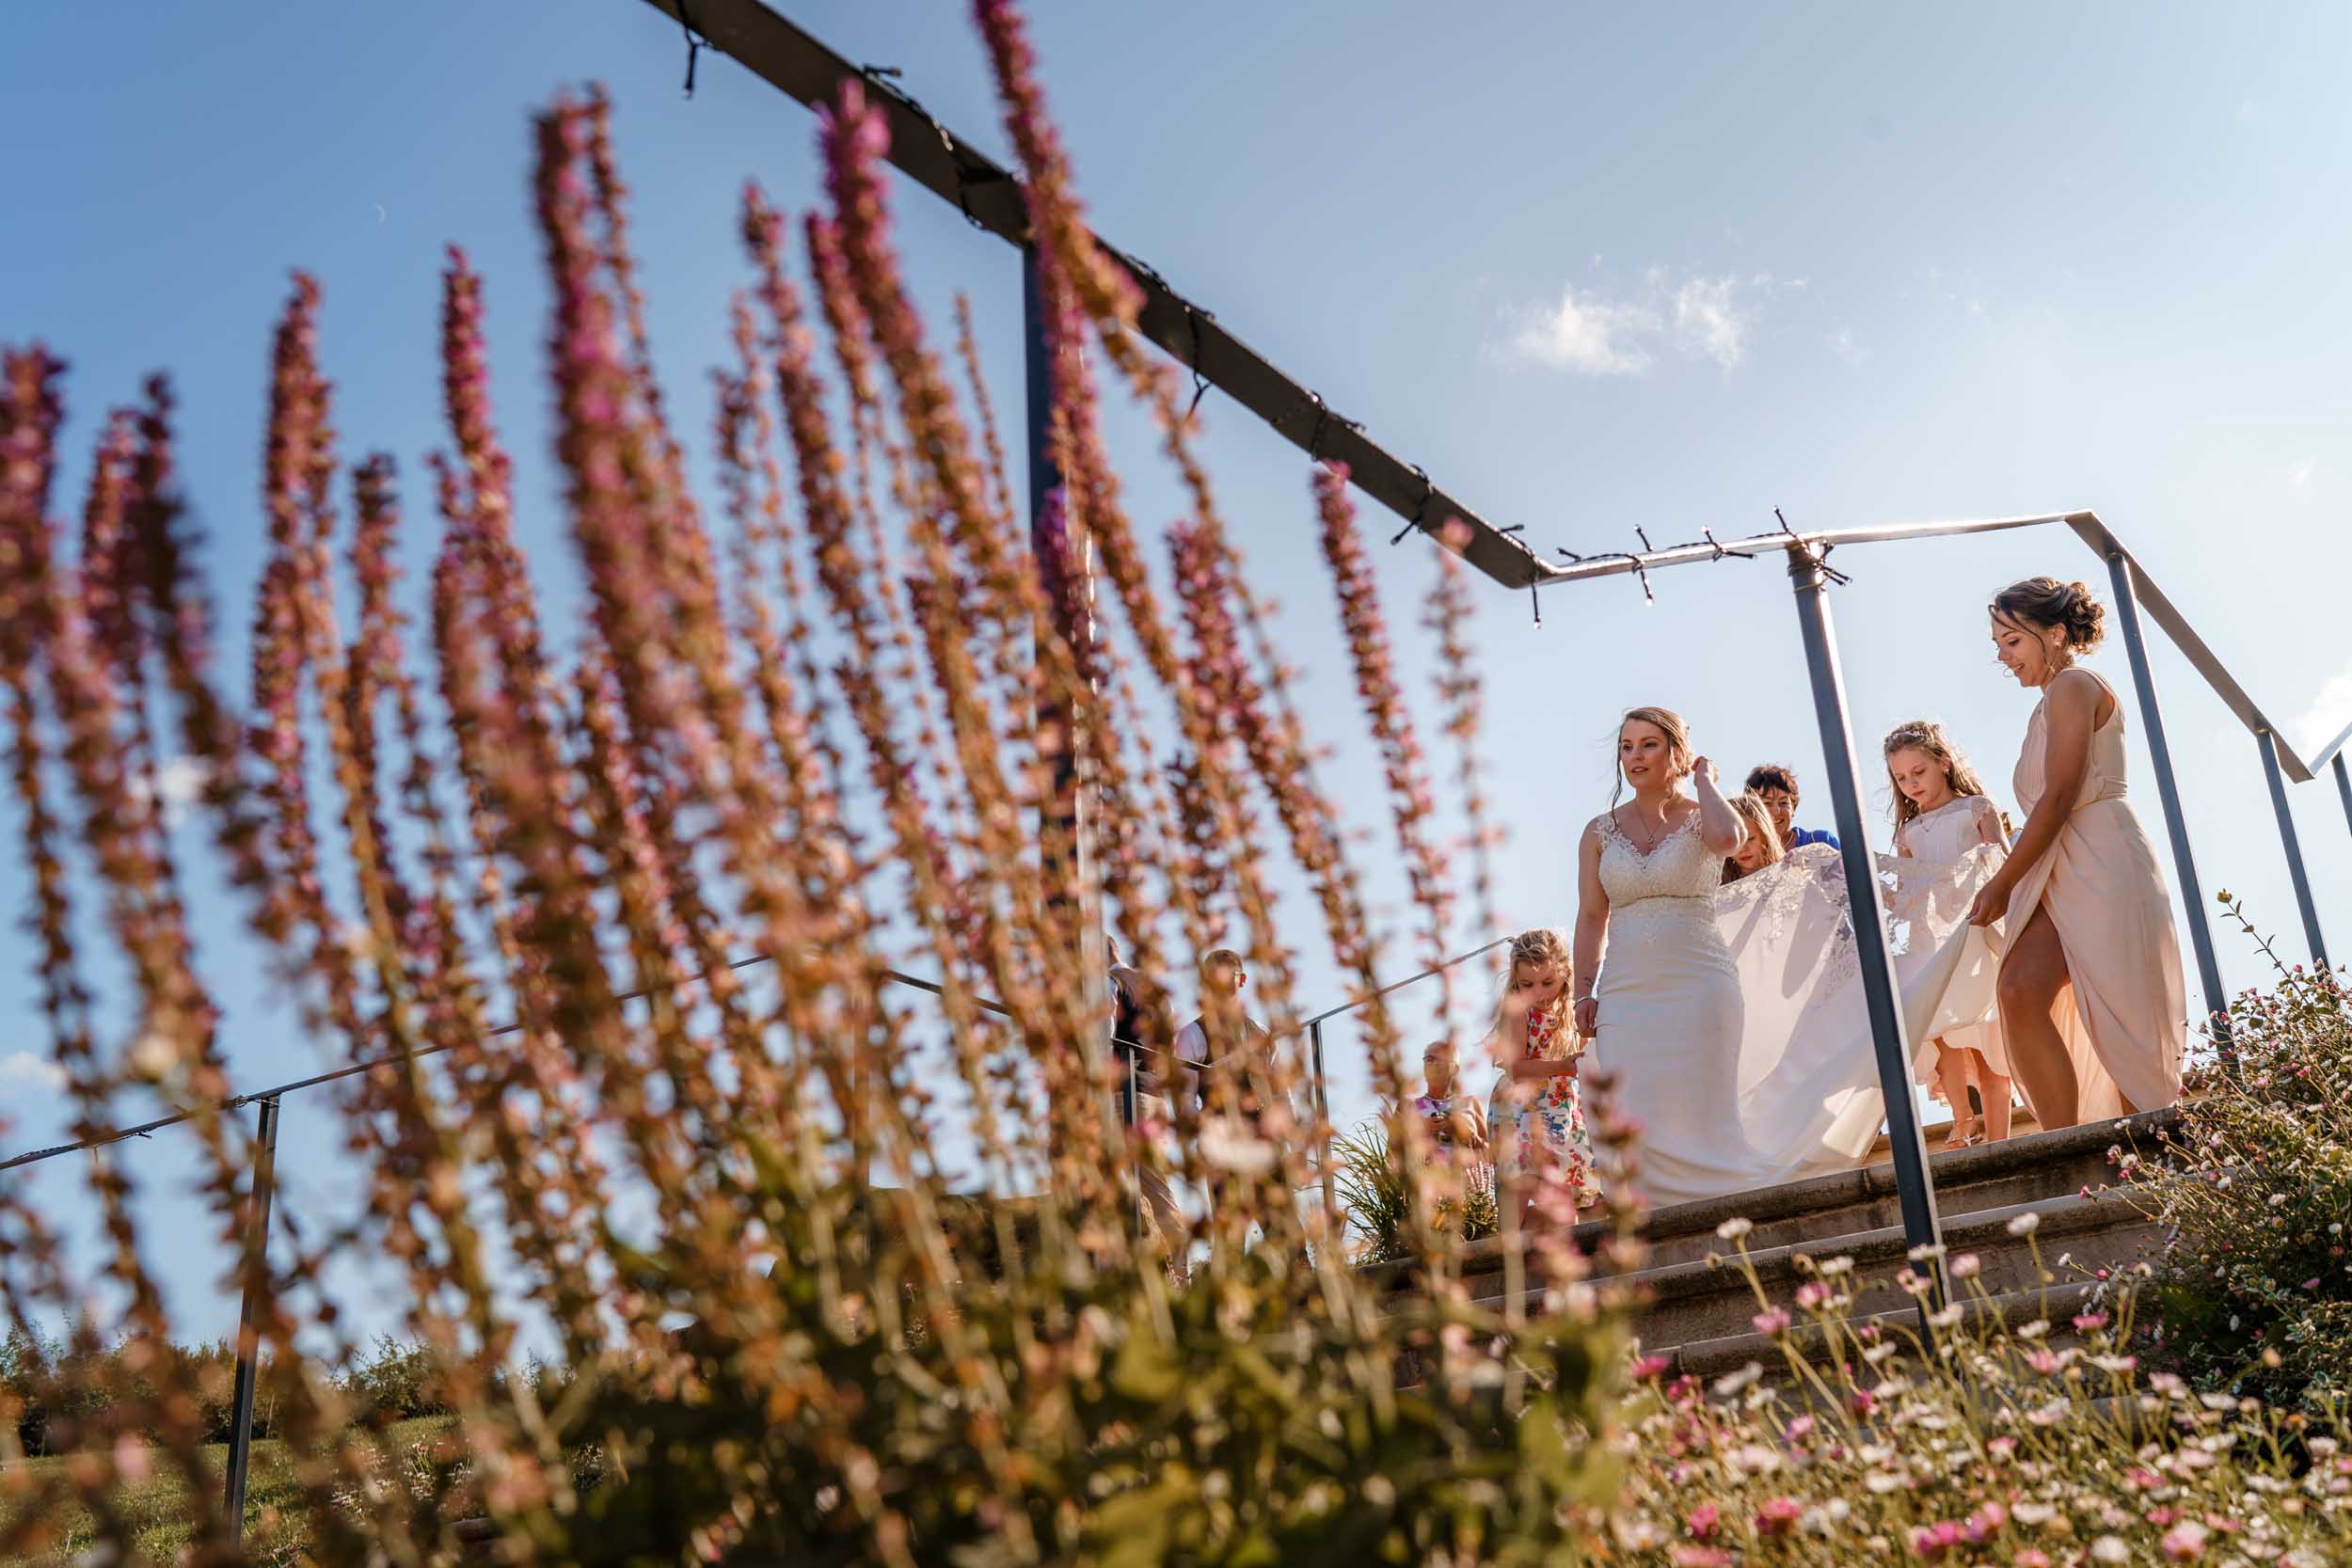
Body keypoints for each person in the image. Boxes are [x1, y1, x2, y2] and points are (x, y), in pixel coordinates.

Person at [1966, 578, 2185, 1129]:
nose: (2001, 655)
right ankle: (2062, 1144)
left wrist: (2003, 882)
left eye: (2012, 640)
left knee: (2124, 1015)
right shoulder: (2041, 709)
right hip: (2057, 865)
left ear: (2056, 633)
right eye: (1998, 644)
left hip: (2104, 856)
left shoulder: (2074, 685)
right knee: (2018, 990)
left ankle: (2155, 1162)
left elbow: (2061, 794)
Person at [1574, 709, 1752, 1207]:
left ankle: (1731, 1218)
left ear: (1676, 750)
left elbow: (1729, 841)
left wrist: (1705, 780)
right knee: (1632, 1108)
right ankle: (1646, 1229)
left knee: (1705, 1109)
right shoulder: (1597, 832)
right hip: (1626, 992)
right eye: (1626, 747)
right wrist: (1582, 992)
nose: (1634, 757)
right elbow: (1591, 917)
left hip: (1700, 982)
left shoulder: (1704, 815)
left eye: (1648, 745)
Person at [1884, 721, 2014, 1148]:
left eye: (1918, 772)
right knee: (1938, 1031)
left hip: (1975, 929)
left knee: (1984, 1034)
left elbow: (2002, 864)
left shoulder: (1976, 809)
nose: (1910, 785)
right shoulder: (1909, 832)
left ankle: (1999, 1138)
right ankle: (1963, 1119)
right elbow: (1905, 896)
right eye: (1901, 778)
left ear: (1943, 762)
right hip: (1931, 939)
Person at [1482, 928, 1597, 1228]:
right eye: (1527, 984)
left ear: (1565, 973)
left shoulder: (1572, 1011)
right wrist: (1563, 1066)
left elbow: (1583, 1055)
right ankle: (1507, 1247)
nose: (1539, 993)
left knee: (1564, 1180)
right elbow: (1516, 1068)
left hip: (1561, 1104)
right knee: (1522, 1175)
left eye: (1548, 982)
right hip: (1521, 1104)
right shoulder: (1519, 1011)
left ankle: (1566, 1247)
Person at [1106, 936, 1187, 1276]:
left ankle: (1161, 1269)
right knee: (1155, 1182)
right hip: (1154, 1097)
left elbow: (1101, 1037)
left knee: (1120, 1178)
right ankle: (1177, 1269)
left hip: (1123, 1095)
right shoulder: (1153, 988)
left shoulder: (1109, 984)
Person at [1413, 1040, 1487, 1158]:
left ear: (1456, 1069)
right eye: (1430, 1059)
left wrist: (1468, 1134)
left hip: (1463, 1175)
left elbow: (1492, 1155)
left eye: (1443, 1059)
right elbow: (1391, 1155)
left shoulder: (1470, 1103)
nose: (1435, 1064)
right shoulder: (1408, 1105)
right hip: (1421, 1175)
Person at [1745, 764, 1840, 851]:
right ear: (1751, 809)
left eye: (1783, 802)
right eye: (1767, 803)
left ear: (1793, 808)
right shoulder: (1746, 854)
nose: (1776, 811)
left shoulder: (1820, 841)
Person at [1721, 790, 1785, 883]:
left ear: (1765, 836)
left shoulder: (1786, 871)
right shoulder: (1718, 886)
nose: (1743, 848)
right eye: (1735, 841)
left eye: (1750, 839)